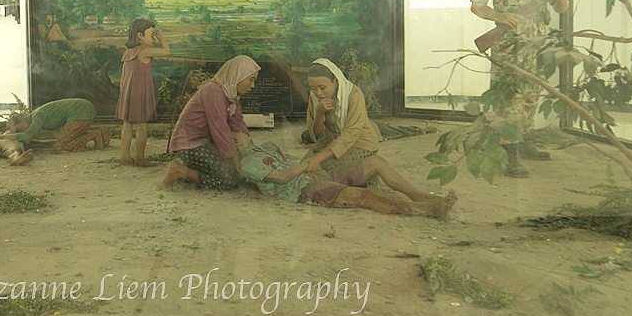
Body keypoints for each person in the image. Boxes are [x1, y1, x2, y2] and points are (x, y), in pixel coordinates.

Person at [470, 0, 570, 178]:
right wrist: (499, 16)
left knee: (531, 94)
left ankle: (525, 142)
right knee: (507, 97)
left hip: (537, 42)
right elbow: (477, 5)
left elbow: (561, 8)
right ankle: (509, 153)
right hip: (506, 43)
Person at [236, 134, 457, 218]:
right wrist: (306, 166)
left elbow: (288, 163)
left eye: (236, 128)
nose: (235, 132)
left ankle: (419, 196)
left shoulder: (266, 146)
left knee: (375, 162)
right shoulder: (246, 163)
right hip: (304, 190)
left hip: (314, 177)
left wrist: (312, 167)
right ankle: (425, 210)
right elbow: (282, 178)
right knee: (364, 196)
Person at [162, 55, 260, 190]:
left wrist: (253, 153)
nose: (252, 85)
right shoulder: (213, 91)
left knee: (236, 173)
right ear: (238, 75)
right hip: (189, 144)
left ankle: (192, 171)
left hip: (206, 142)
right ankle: (178, 170)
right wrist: (237, 163)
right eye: (251, 80)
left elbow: (239, 126)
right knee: (230, 181)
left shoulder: (231, 97)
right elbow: (220, 130)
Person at [0, 98, 104, 170]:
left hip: (80, 112)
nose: (21, 131)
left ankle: (95, 135)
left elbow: (30, 137)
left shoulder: (36, 117)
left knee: (59, 147)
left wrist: (10, 137)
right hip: (81, 110)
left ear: (23, 119)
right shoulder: (32, 120)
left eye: (19, 129)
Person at [300, 58, 381, 173]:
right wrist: (319, 113)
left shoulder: (353, 94)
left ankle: (370, 170)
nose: (318, 93)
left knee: (321, 168)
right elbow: (317, 135)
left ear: (336, 81)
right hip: (332, 140)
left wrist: (318, 158)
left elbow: (351, 133)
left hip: (359, 143)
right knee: (305, 164)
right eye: (313, 88)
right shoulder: (314, 97)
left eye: (322, 88)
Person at [116, 18, 171, 167]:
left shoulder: (128, 53)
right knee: (142, 124)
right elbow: (167, 52)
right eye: (151, 35)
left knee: (127, 124)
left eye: (154, 36)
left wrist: (123, 93)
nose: (153, 38)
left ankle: (125, 157)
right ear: (140, 36)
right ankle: (140, 158)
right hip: (140, 92)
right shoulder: (144, 51)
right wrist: (161, 38)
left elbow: (123, 77)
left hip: (127, 93)